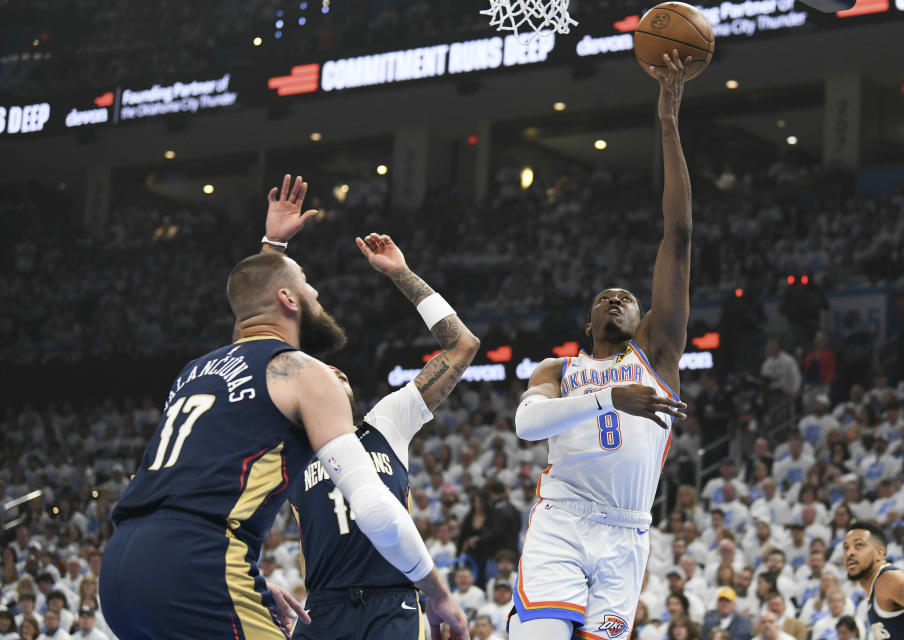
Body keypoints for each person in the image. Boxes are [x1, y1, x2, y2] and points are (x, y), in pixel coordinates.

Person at [99, 175, 469, 640]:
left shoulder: (197, 371)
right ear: (289, 299)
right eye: (310, 286)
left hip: (125, 566)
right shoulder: (303, 376)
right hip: (214, 565)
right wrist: (438, 593)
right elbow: (374, 507)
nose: (318, 294)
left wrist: (274, 246)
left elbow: (252, 324)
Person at [509, 50, 692, 640]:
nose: (616, 299)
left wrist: (667, 122)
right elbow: (528, 427)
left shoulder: (657, 356)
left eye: (628, 297)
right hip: (562, 518)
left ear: (644, 319)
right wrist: (609, 398)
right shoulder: (557, 369)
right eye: (604, 297)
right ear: (588, 323)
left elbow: (679, 235)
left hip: (629, 533)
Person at [285, 230, 480, 640]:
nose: (330, 376)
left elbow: (461, 345)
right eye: (321, 374)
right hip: (322, 606)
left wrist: (402, 273)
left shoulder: (385, 422)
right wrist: (272, 247)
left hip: (393, 601)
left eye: (339, 374)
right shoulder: (290, 444)